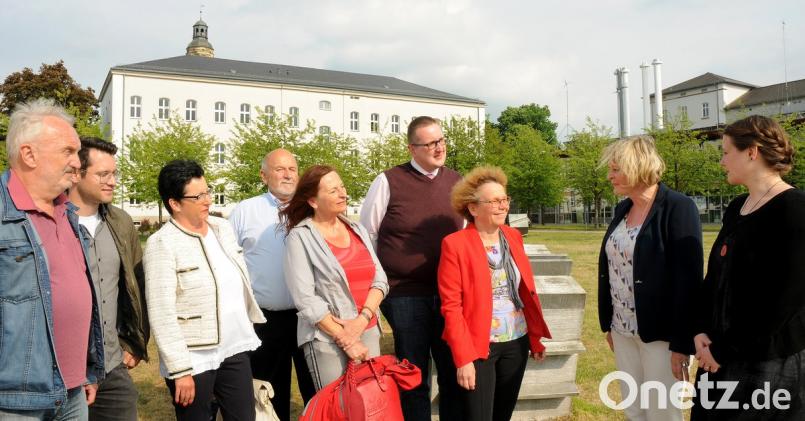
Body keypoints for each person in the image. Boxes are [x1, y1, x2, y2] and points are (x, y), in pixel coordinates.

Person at [691, 116, 805, 420]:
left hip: (767, 365)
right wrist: (701, 329)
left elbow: (783, 301)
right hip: (716, 356)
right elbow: (715, 277)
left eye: (726, 152)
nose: (722, 161)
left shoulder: (794, 209)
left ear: (752, 152)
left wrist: (723, 350)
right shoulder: (737, 206)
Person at [0, 99, 104, 419]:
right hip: (16, 401)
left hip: (73, 391)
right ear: (29, 154)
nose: (77, 162)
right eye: (68, 152)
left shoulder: (68, 214)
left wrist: (85, 368)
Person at [359, 116, 465, 420]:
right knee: (414, 374)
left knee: (452, 371)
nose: (439, 147)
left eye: (441, 140)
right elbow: (368, 235)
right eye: (430, 143)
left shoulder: (457, 181)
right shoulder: (388, 180)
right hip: (405, 295)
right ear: (412, 148)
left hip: (449, 296)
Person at [144, 160, 266, 421]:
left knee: (245, 417)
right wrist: (180, 371)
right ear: (174, 203)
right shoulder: (162, 243)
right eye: (197, 196)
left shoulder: (222, 229)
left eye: (207, 192)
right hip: (194, 357)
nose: (207, 200)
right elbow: (161, 312)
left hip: (234, 347)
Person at [597, 135, 702, 421]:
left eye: (616, 169)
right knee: (634, 409)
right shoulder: (624, 209)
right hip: (622, 329)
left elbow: (689, 280)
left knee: (661, 411)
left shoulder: (678, 207)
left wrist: (682, 344)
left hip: (661, 334)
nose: (610, 176)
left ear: (637, 166)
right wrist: (610, 322)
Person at [438, 166, 551, 421]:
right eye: (495, 201)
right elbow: (451, 306)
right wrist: (463, 359)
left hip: (516, 341)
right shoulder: (454, 245)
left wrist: (533, 338)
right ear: (473, 208)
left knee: (503, 415)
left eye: (505, 199)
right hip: (478, 347)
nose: (503, 206)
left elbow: (524, 292)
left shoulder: (513, 237)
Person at [282, 165, 389, 390]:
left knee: (370, 404)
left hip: (367, 330)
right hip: (327, 339)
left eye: (342, 187)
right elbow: (306, 300)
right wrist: (346, 338)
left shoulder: (357, 229)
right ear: (313, 201)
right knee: (338, 407)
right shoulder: (300, 237)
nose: (343, 193)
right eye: (333, 191)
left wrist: (362, 320)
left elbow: (380, 279)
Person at [229, 149, 316, 420]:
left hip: (310, 318)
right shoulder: (246, 211)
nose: (288, 174)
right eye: (280, 169)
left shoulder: (312, 209)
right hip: (266, 320)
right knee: (269, 392)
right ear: (263, 175)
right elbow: (229, 260)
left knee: (315, 387)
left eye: (292, 168)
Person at [68, 137, 149, 421]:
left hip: (112, 368)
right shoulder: (51, 221)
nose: (112, 181)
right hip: (63, 372)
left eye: (114, 174)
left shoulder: (122, 223)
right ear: (76, 173)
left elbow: (136, 286)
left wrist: (134, 342)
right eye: (103, 174)